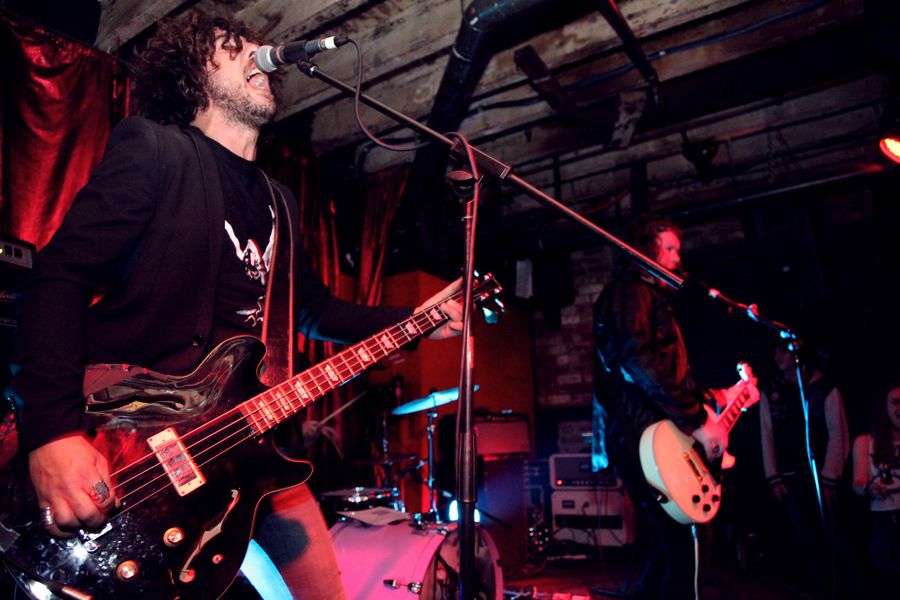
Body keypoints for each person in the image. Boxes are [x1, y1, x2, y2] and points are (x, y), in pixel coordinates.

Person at [10, 11, 462, 598]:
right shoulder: (156, 151)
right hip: (131, 446)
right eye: (233, 46)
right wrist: (51, 433)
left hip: (249, 443)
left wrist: (420, 321)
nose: (259, 53)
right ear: (192, 77)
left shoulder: (280, 202)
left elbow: (315, 311)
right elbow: (57, 279)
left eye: (256, 43)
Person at [592, 215, 731, 599]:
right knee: (688, 543)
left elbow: (660, 369)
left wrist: (706, 400)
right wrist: (696, 418)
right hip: (645, 437)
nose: (676, 259)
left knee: (672, 544)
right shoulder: (631, 292)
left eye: (676, 250)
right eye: (668, 249)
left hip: (653, 435)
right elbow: (638, 360)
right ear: (644, 250)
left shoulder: (646, 296)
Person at [759, 343, 849, 595]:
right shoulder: (772, 389)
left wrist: (830, 477)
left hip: (822, 476)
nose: (777, 356)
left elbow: (838, 432)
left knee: (834, 538)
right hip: (789, 478)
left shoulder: (824, 387)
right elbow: (767, 434)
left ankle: (839, 590)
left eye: (782, 350)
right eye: (775, 350)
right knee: (805, 540)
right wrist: (773, 476)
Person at [851, 383, 900, 577]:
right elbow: (858, 482)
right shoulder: (865, 442)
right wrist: (869, 488)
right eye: (896, 402)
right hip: (886, 521)